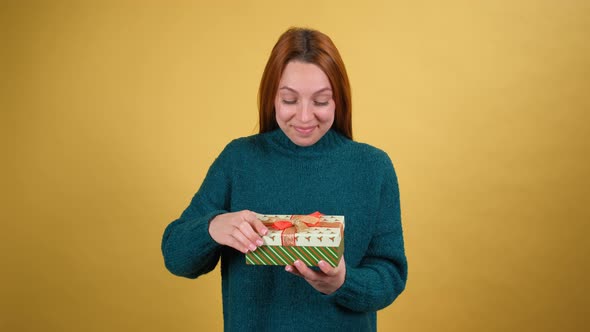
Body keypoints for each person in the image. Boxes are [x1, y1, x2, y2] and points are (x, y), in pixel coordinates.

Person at [161, 27, 407, 331]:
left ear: (339, 100)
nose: (304, 118)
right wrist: (213, 226)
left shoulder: (373, 167)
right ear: (272, 97)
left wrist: (343, 282)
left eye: (320, 101)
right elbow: (175, 257)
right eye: (290, 100)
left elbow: (391, 276)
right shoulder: (239, 159)